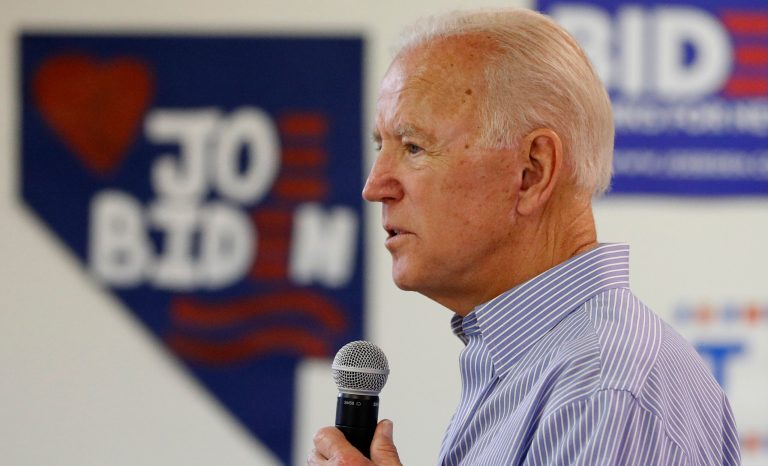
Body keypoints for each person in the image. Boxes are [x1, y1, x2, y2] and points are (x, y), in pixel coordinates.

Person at [309, 7, 741, 466]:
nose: (374, 186)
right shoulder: (540, 366)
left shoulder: (598, 390)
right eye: (382, 146)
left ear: (532, 172)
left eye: (414, 146)